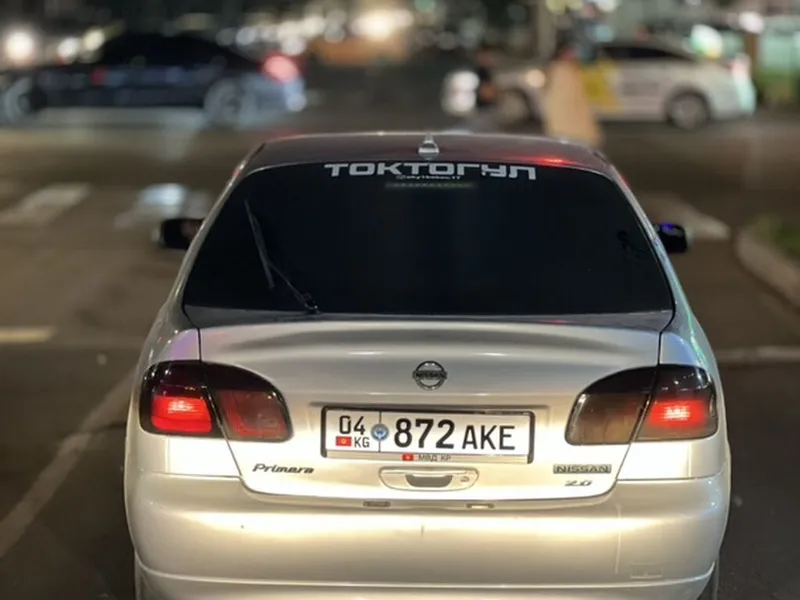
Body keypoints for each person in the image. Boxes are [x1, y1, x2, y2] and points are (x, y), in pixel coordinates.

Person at [541, 39, 603, 149]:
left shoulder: (571, 70)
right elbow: (561, 101)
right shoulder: (560, 71)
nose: (574, 55)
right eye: (570, 52)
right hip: (566, 128)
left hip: (575, 127)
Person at [467, 42, 500, 132]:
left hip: (487, 110)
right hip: (483, 111)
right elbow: (486, 93)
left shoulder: (487, 72)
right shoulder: (481, 72)